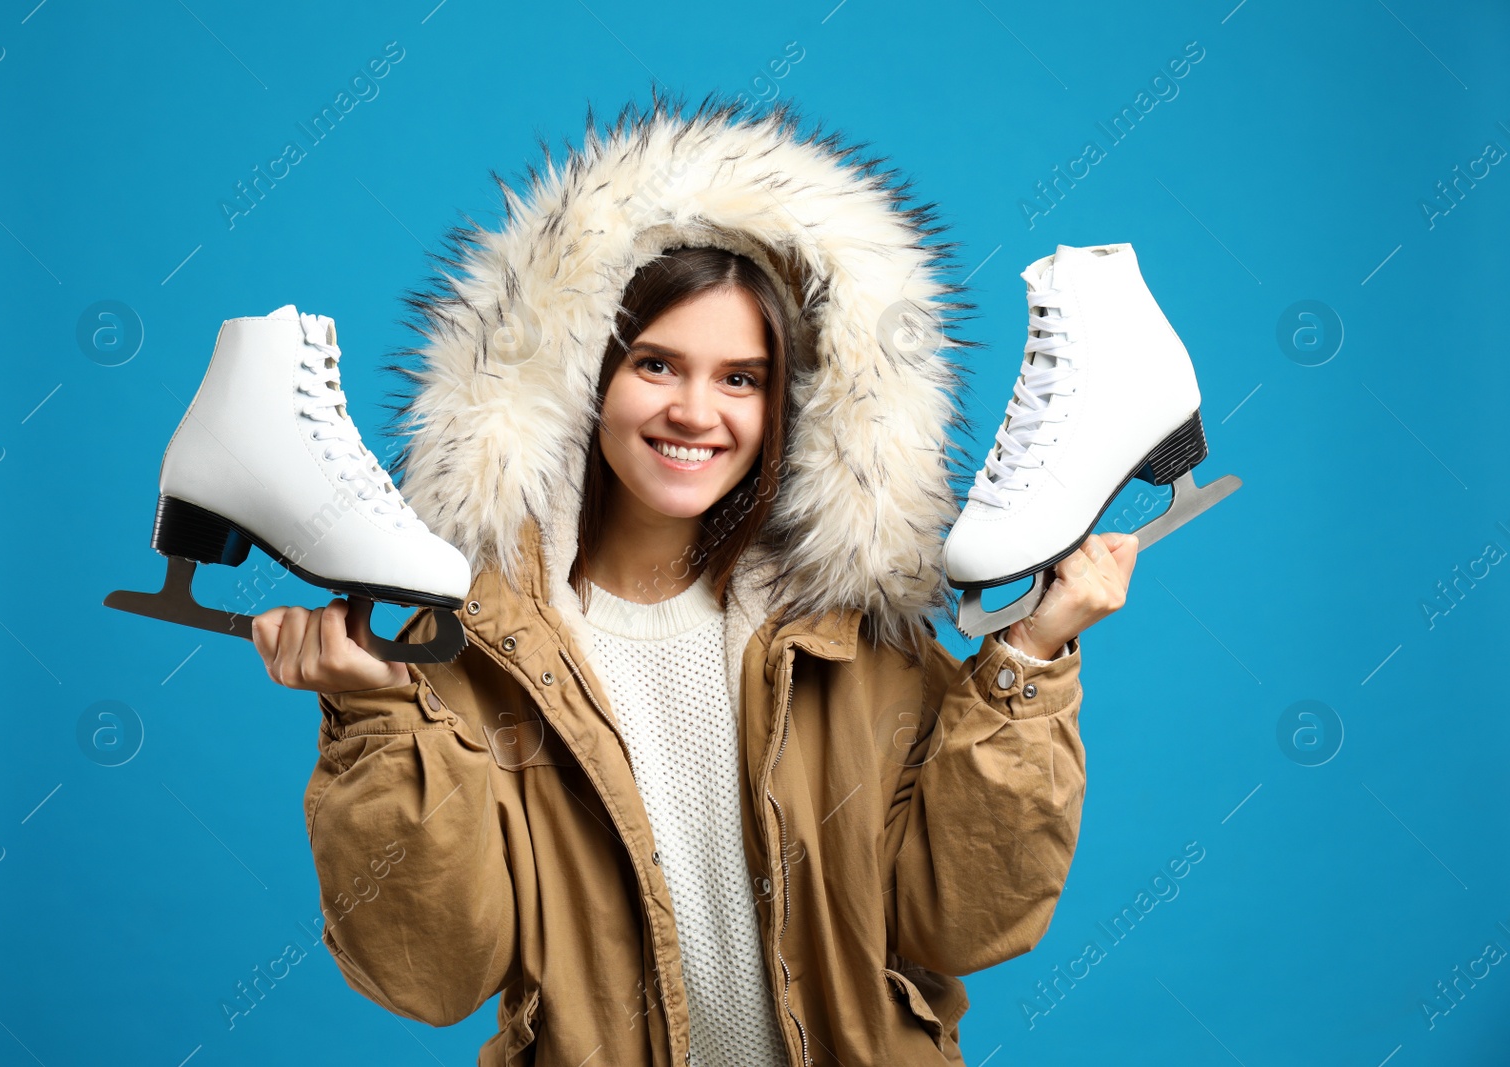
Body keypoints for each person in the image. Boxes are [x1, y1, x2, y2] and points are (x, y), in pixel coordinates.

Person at [251, 95, 1136, 1066]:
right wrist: (373, 714)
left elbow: (962, 920)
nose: (694, 410)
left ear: (790, 402)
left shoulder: (844, 635)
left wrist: (1027, 656)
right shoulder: (475, 645)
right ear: (585, 376)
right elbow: (435, 973)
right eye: (656, 363)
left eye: (741, 378)